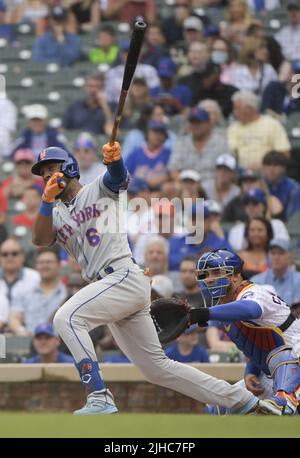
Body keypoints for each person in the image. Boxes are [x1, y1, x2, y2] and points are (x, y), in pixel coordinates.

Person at [30, 142, 268, 415]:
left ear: (70, 167)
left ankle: (98, 394)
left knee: (67, 318)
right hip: (106, 288)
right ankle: (242, 401)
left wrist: (115, 160)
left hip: (122, 276)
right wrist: (47, 202)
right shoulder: (56, 213)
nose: (47, 176)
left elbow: (118, 178)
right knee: (156, 369)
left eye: (52, 168)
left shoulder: (97, 189)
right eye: (43, 173)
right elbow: (40, 239)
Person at [195, 248, 300, 415]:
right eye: (204, 275)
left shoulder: (253, 291)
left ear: (236, 275)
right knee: (219, 406)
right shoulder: (226, 309)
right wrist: (250, 371)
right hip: (276, 372)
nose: (209, 279)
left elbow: (251, 309)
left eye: (216, 272)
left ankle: (285, 401)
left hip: (292, 360)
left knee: (288, 351)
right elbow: (262, 345)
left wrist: (204, 313)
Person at [169, 107, 231, 189]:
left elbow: (227, 171)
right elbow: (173, 169)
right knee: (168, 188)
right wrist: (185, 185)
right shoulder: (182, 142)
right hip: (187, 186)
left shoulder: (220, 143)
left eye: (199, 122)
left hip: (212, 186)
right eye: (192, 122)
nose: (195, 126)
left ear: (209, 123)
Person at [9, 248, 67, 335]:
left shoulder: (67, 293)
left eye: (49, 262)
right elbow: (14, 318)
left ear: (59, 265)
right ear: (36, 266)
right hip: (30, 342)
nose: (44, 266)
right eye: (41, 262)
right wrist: (21, 331)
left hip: (59, 343)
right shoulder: (24, 290)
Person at [228, 91, 290, 169]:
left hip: (267, 172)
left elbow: (284, 153)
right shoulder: (233, 128)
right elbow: (232, 153)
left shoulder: (272, 124)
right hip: (241, 172)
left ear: (249, 108)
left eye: (237, 108)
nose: (234, 112)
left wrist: (264, 165)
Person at [125, 120, 171, 191]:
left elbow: (172, 174)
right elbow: (124, 174)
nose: (157, 135)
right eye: (155, 131)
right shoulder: (136, 153)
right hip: (134, 192)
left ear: (165, 136)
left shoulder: (168, 154)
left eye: (161, 133)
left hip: (156, 193)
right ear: (147, 133)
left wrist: (164, 177)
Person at [252, 238, 300, 306]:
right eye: (273, 253)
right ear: (268, 255)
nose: (276, 257)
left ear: (290, 255)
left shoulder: (298, 280)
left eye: (281, 253)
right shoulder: (256, 281)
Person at [0, 237, 40, 310]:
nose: (9, 257)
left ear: (23, 256)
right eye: (5, 254)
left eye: (14, 253)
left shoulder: (36, 277)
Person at [262, 151, 300, 221]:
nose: (271, 169)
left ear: (284, 168)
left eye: (276, 165)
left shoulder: (293, 187)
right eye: (268, 165)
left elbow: (293, 217)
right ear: (263, 167)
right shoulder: (258, 185)